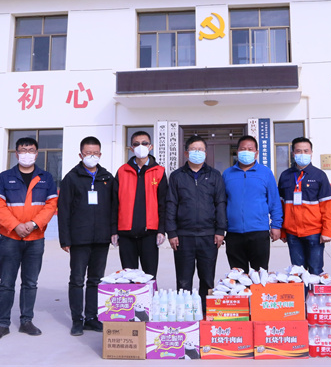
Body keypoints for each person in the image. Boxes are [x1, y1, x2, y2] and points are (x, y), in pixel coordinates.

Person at [0, 137, 58, 341]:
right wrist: (15, 226)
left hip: (35, 238)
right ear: (16, 153)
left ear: (37, 153)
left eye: (31, 150)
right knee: (6, 282)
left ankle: (26, 321)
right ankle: (2, 324)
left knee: (30, 282)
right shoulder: (4, 177)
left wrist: (34, 224)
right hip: (10, 237)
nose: (27, 154)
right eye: (23, 150)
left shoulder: (46, 178)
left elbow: (51, 205)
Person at [58, 136, 115, 336]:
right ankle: (77, 319)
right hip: (79, 238)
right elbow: (63, 210)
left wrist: (113, 232)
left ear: (100, 154)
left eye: (95, 153)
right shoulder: (71, 178)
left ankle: (91, 317)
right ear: (81, 155)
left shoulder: (107, 178)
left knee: (96, 279)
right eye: (88, 153)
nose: (92, 156)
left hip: (101, 238)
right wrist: (65, 239)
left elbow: (114, 208)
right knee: (77, 280)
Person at [166, 135, 227, 306]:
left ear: (205, 153)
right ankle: (185, 312)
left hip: (208, 235)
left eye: (200, 150)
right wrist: (172, 232)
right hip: (183, 236)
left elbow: (220, 203)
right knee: (183, 280)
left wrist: (220, 230)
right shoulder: (177, 176)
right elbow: (171, 204)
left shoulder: (214, 175)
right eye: (193, 149)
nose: (197, 152)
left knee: (207, 279)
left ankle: (205, 311)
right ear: (186, 153)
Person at [222, 135, 283, 271]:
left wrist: (276, 225)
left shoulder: (265, 173)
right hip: (233, 233)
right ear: (237, 151)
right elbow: (221, 203)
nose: (246, 152)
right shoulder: (227, 174)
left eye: (250, 149)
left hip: (259, 232)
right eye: (243, 149)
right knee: (238, 276)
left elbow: (274, 201)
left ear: (256, 153)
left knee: (260, 275)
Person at [112, 131, 168, 278]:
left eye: (144, 143)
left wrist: (161, 230)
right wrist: (113, 230)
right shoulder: (122, 171)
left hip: (150, 233)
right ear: (131, 148)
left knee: (150, 277)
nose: (140, 146)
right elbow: (114, 203)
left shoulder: (159, 172)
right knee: (128, 278)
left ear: (151, 147)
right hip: (126, 233)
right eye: (136, 144)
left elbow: (163, 204)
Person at [278, 137, 331, 275]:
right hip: (292, 233)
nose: (302, 154)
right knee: (297, 273)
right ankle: (302, 291)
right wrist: (282, 230)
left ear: (311, 153)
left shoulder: (319, 175)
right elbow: (280, 206)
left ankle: (314, 290)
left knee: (315, 271)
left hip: (314, 232)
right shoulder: (285, 176)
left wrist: (327, 231)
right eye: (299, 151)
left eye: (306, 151)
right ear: (293, 153)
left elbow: (328, 206)